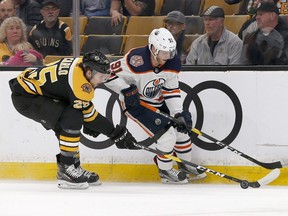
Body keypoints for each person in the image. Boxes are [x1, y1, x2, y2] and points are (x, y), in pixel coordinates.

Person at [9, 50, 137, 189]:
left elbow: (78, 103)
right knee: (73, 117)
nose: (102, 81)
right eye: (101, 77)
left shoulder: (81, 64)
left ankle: (72, 167)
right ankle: (66, 169)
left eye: (105, 77)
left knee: (68, 122)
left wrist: (107, 129)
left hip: (32, 90)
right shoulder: (80, 85)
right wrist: (116, 134)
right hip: (26, 98)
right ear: (89, 73)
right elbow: (90, 116)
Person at [105, 27, 207, 184]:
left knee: (182, 130)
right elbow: (107, 73)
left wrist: (178, 113)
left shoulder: (172, 63)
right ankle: (165, 171)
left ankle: (185, 165)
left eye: (170, 52)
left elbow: (171, 89)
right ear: (153, 49)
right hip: (137, 105)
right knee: (167, 135)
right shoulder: (135, 60)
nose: (168, 56)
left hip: (158, 101)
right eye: (164, 52)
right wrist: (124, 90)